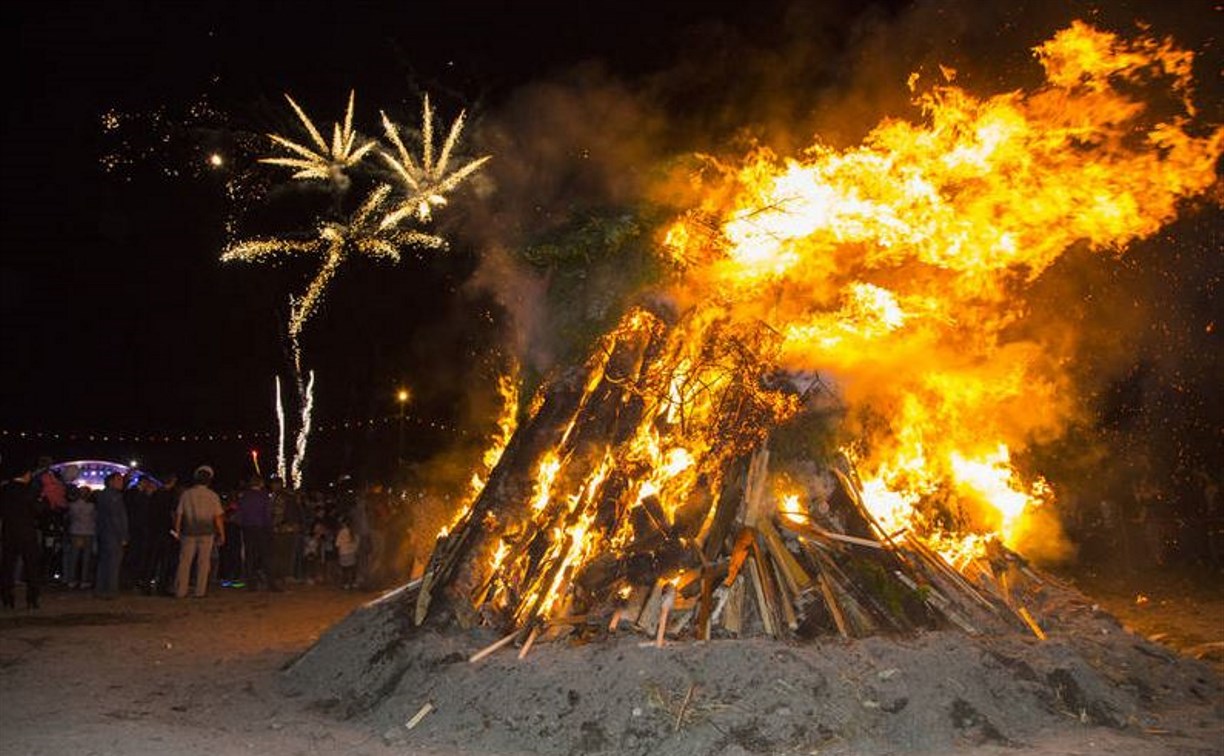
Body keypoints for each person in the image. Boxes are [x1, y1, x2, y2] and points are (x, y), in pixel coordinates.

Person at [174, 465, 225, 599]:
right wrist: (222, 533)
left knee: (185, 562)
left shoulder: (186, 494)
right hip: (207, 533)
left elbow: (179, 514)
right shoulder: (212, 495)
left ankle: (181, 590)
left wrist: (177, 530)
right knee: (203, 562)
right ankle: (200, 591)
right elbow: (218, 516)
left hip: (189, 532)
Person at [0, 465, 45, 609]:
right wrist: (43, 503)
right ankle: (32, 598)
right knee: (31, 565)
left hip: (9, 531)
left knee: (8, 565)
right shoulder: (29, 490)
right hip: (27, 531)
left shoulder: (4, 490)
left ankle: (7, 596)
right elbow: (37, 510)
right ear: (26, 474)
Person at [236, 475, 279, 591]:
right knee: (266, 556)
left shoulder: (244, 496)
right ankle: (271, 583)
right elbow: (267, 514)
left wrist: (242, 524)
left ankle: (251, 584)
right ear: (261, 483)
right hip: (262, 528)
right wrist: (270, 528)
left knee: (250, 556)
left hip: (248, 528)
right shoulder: (264, 496)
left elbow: (239, 513)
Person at [94, 472, 129, 599]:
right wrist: (123, 535)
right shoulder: (114, 496)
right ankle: (111, 591)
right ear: (111, 482)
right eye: (119, 480)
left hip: (104, 533)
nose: (121, 483)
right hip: (113, 534)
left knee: (104, 563)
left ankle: (100, 589)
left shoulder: (102, 495)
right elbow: (116, 517)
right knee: (113, 563)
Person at [146, 473, 180, 595]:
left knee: (152, 559)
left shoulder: (155, 494)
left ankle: (147, 586)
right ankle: (162, 587)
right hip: (166, 530)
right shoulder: (170, 495)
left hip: (154, 530)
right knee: (165, 560)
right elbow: (173, 513)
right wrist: (176, 530)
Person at [63, 486, 96, 589]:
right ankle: (84, 580)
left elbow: (69, 517)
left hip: (76, 532)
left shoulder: (72, 505)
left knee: (74, 557)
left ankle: (71, 579)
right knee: (86, 558)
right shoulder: (92, 506)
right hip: (89, 532)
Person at [335, 518, 359, 590]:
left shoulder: (341, 532)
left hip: (343, 552)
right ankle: (353, 583)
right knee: (352, 568)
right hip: (351, 552)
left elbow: (337, 544)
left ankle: (346, 584)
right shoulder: (354, 532)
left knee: (345, 569)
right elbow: (357, 542)